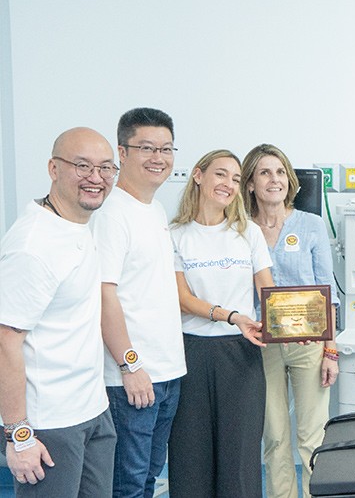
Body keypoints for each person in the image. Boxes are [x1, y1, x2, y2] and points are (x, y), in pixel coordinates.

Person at [0, 127, 118, 496]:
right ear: (54, 168)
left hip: (92, 410)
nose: (96, 177)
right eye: (82, 166)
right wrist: (18, 435)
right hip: (49, 424)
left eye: (105, 167)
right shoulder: (33, 245)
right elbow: (5, 340)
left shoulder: (76, 225)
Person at [89, 108, 186, 498]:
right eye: (146, 147)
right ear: (122, 152)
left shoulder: (155, 209)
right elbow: (103, 294)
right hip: (131, 376)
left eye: (166, 148)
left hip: (166, 372)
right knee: (126, 485)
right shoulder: (111, 214)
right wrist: (130, 365)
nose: (158, 157)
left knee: (147, 479)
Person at [166, 150, 274, 498]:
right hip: (191, 354)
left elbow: (268, 290)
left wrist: (289, 325)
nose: (229, 184)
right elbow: (182, 298)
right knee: (190, 455)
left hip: (240, 354)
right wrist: (230, 316)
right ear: (198, 175)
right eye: (221, 174)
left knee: (240, 458)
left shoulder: (248, 232)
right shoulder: (174, 234)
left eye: (236, 179)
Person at [240, 144, 339, 498]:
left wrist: (331, 350)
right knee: (275, 436)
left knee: (312, 436)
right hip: (262, 346)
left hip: (308, 344)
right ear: (250, 183)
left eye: (280, 172)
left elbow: (327, 290)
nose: (275, 179)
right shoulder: (239, 229)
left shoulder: (311, 225)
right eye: (265, 172)